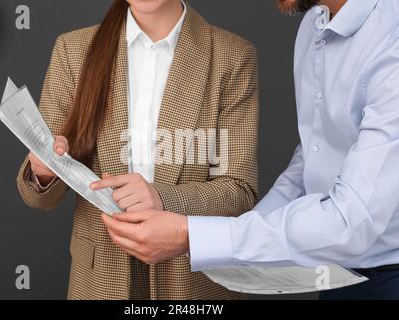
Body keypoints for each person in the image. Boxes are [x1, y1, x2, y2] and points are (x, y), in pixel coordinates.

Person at [102, 0, 399, 300]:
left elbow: (352, 222)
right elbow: (313, 155)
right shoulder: (314, 26)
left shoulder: (392, 39)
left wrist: (191, 236)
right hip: (335, 273)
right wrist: (243, 232)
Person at [17, 0, 259, 299]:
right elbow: (40, 198)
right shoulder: (73, 50)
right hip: (98, 279)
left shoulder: (232, 55)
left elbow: (239, 192)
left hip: (194, 285)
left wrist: (162, 198)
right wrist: (43, 172)